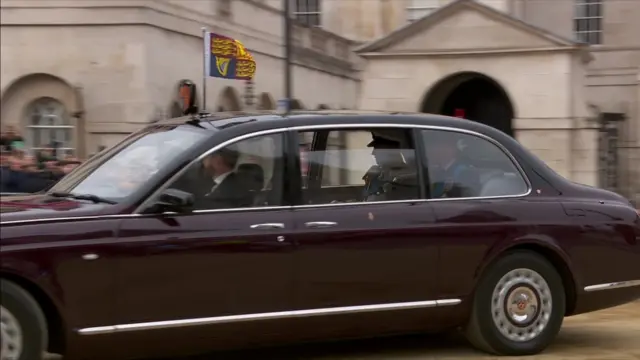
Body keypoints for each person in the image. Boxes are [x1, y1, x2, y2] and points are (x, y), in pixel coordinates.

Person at [362, 135, 416, 202]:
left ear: (390, 152)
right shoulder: (376, 173)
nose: (373, 153)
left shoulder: (406, 176)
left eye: (377, 149)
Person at [426, 134, 480, 198]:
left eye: (435, 147)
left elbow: (466, 200)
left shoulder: (465, 172)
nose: (430, 152)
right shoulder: (439, 171)